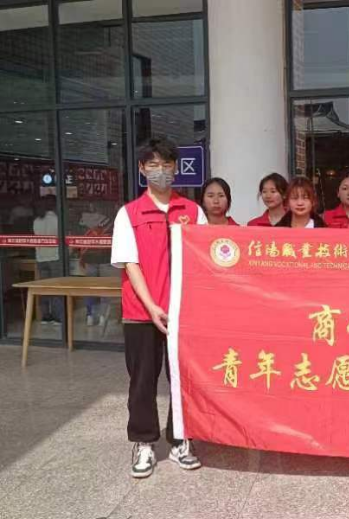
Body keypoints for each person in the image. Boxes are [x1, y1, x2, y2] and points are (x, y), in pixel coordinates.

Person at [111, 137, 206, 479]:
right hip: (141, 313)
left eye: (166, 164)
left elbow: (204, 261)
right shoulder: (129, 214)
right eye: (152, 164)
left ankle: (180, 440)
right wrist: (151, 306)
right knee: (142, 381)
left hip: (184, 313)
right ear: (141, 169)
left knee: (183, 380)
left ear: (177, 168)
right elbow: (130, 263)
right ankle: (144, 442)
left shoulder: (192, 212)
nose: (160, 170)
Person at [33, 195, 62, 325]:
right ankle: (57, 316)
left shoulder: (36, 221)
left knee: (44, 287)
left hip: (41, 258)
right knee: (56, 287)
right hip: (55, 257)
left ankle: (45, 316)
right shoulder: (56, 219)